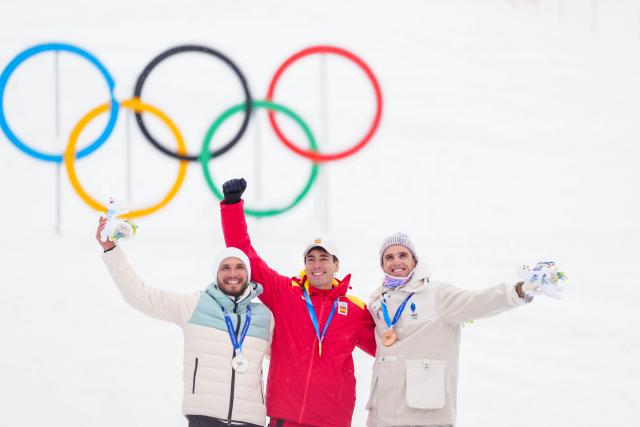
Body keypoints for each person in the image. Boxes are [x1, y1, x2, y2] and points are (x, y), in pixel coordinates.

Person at [220, 178, 376, 427]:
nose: (316, 265)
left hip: (332, 419)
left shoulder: (355, 311)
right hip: (286, 416)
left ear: (336, 265)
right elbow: (244, 255)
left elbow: (388, 349)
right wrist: (232, 206)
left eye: (324, 258)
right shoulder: (285, 293)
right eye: (311, 259)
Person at [96, 217, 272, 427]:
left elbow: (291, 359)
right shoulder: (195, 305)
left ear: (248, 273)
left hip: (250, 421)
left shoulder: (265, 317)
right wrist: (111, 250)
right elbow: (140, 296)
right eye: (225, 268)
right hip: (205, 419)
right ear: (216, 274)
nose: (232, 273)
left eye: (239, 267)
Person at [365, 232, 551, 427]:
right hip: (382, 418)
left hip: (425, 416)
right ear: (382, 265)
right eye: (389, 257)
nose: (396, 262)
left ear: (414, 261)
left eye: (403, 255)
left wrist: (518, 291)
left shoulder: (436, 294)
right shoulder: (377, 303)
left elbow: (478, 301)